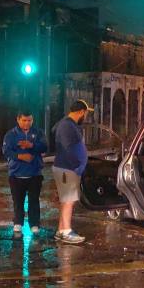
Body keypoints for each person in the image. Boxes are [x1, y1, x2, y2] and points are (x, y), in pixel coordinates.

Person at [52, 100, 93, 245]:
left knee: (66, 200)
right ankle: (66, 231)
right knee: (68, 200)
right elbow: (68, 148)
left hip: (67, 168)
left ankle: (61, 230)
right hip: (67, 168)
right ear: (81, 112)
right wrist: (77, 166)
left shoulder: (67, 124)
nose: (86, 116)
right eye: (86, 113)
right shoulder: (67, 126)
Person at [2, 111, 47, 238]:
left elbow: (44, 147)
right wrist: (20, 156)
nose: (27, 123)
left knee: (34, 200)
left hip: (35, 173)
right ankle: (18, 222)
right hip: (16, 174)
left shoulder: (38, 132)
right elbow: (6, 151)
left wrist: (31, 145)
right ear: (18, 119)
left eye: (29, 120)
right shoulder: (11, 134)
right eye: (24, 120)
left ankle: (34, 224)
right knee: (17, 200)